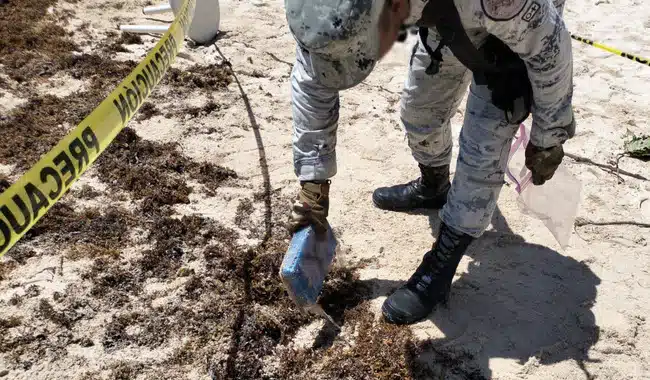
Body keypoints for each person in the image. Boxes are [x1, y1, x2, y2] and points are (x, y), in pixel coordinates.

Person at [285, 0, 576, 325]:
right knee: (420, 111)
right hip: (446, 15)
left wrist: (549, 135)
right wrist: (313, 185)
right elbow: (313, 79)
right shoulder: (318, 11)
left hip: (513, 31)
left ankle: (444, 261)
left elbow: (550, 49)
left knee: (483, 146)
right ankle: (434, 185)